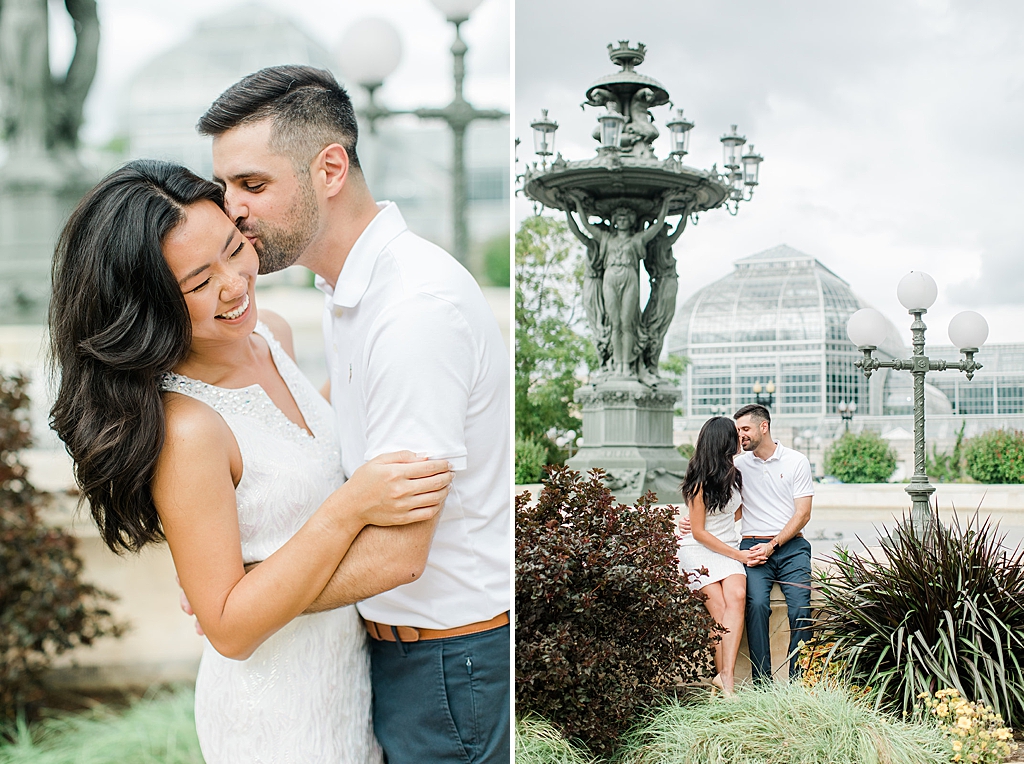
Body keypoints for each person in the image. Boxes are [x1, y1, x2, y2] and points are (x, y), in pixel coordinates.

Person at [48, 159, 453, 762]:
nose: (234, 285)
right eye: (197, 282)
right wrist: (348, 508)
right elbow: (231, 629)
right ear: (148, 305)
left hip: (345, 680)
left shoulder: (273, 338)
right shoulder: (187, 429)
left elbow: (297, 455)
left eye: (235, 250)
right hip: (274, 716)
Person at [193, 65, 511, 763]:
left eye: (252, 185)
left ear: (329, 168)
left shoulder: (411, 312)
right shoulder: (353, 293)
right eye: (225, 189)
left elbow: (399, 553)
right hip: (407, 660)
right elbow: (328, 425)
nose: (232, 210)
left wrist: (239, 599)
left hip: (448, 666)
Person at [678, 404, 814, 682]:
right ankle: (762, 682)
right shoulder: (735, 464)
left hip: (790, 546)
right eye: (737, 431)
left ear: (764, 427)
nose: (740, 436)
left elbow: (803, 514)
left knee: (801, 607)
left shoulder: (796, 461)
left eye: (745, 429)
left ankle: (799, 680)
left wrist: (773, 545)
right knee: (757, 604)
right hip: (749, 545)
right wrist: (690, 519)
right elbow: (718, 502)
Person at [677, 416, 749, 695]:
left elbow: (737, 510)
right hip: (697, 550)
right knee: (718, 607)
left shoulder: (736, 473)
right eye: (735, 435)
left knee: (738, 596)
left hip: (727, 546)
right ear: (724, 442)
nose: (740, 439)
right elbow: (699, 533)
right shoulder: (698, 483)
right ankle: (727, 684)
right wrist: (739, 555)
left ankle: (724, 677)